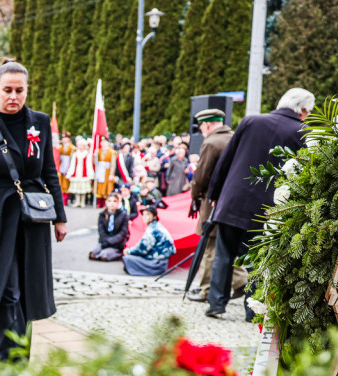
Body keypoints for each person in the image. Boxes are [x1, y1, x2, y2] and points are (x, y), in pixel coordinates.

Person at [0, 59, 68, 361]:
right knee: (6, 292)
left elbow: (50, 171)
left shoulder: (40, 122)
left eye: (19, 90)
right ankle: (7, 362)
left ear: (26, 90)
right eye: (7, 90)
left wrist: (60, 217)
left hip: (34, 219)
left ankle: (20, 359)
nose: (13, 96)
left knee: (28, 292)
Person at [205, 87, 313, 320]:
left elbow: (225, 161)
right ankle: (251, 310)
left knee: (223, 255)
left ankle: (216, 303)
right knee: (258, 261)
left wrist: (213, 193)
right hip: (267, 208)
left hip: (232, 201)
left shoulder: (250, 121)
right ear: (302, 109)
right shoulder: (302, 131)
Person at [187, 108, 244, 303]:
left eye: (201, 126)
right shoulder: (237, 137)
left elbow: (201, 177)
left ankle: (207, 289)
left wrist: (194, 195)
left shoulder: (211, 142)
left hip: (214, 202)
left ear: (207, 125)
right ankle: (240, 282)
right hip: (236, 202)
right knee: (228, 245)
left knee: (210, 247)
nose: (201, 130)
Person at [124, 201, 176, 276]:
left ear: (154, 217)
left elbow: (142, 248)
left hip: (157, 263)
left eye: (148, 214)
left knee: (127, 258)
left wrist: (129, 251)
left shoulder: (153, 229)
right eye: (144, 215)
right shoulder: (155, 226)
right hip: (159, 260)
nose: (145, 217)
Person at [90, 192, 129, 261]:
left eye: (114, 201)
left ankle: (118, 253)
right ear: (106, 202)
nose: (112, 203)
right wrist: (105, 241)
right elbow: (101, 230)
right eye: (109, 201)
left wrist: (111, 241)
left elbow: (123, 232)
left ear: (118, 203)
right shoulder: (102, 215)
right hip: (104, 242)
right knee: (93, 254)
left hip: (117, 243)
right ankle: (105, 250)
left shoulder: (123, 215)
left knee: (104, 255)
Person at [66, 137, 94, 207]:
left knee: (83, 189)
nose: (81, 147)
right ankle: (77, 201)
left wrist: (90, 174)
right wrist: (70, 173)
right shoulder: (75, 154)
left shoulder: (87, 154)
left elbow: (89, 165)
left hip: (84, 173)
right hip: (77, 172)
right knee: (77, 188)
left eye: (82, 146)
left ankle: (82, 202)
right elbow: (72, 164)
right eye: (80, 145)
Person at [94, 139, 117, 207]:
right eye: (102, 142)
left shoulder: (112, 152)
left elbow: (113, 164)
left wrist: (111, 174)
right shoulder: (98, 151)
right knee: (100, 187)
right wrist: (95, 156)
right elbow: (95, 162)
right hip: (100, 170)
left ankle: (105, 203)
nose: (103, 143)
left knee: (107, 187)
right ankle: (99, 202)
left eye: (105, 142)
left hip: (107, 171)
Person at [58, 132, 74, 204]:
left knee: (66, 184)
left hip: (68, 166)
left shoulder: (72, 148)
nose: (64, 139)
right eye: (63, 138)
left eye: (65, 138)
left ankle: (66, 199)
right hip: (61, 166)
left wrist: (70, 168)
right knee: (60, 183)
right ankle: (61, 199)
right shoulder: (60, 147)